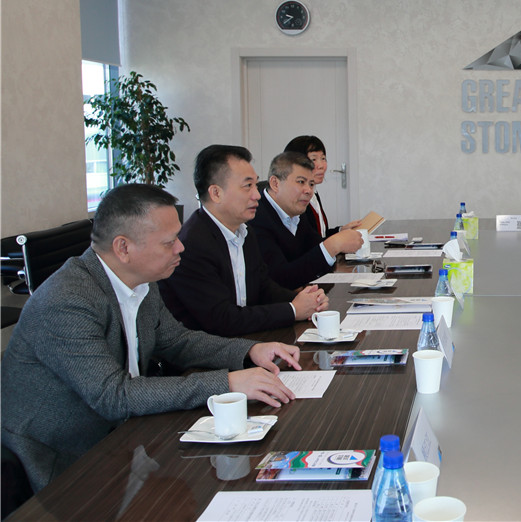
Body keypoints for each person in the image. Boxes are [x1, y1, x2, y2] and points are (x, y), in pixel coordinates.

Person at [1, 184, 301, 493]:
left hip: (124, 439)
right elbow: (114, 396)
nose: (180, 248)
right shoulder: (66, 300)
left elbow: (176, 341)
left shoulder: (140, 279)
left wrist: (251, 350)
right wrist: (226, 383)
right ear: (123, 248)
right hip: (64, 462)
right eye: (169, 242)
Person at [159, 145, 328, 337]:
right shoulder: (191, 245)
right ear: (216, 193)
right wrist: (293, 309)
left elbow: (263, 287)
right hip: (211, 349)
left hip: (246, 338)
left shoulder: (245, 231)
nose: (257, 194)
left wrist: (305, 300)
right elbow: (222, 319)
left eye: (255, 185)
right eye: (248, 186)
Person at [249, 151, 363, 289]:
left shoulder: (295, 208)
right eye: (301, 182)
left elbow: (314, 247)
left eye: (311, 184)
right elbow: (280, 278)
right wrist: (332, 246)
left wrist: (340, 242)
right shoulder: (256, 218)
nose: (308, 190)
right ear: (275, 183)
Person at [284, 135, 362, 237]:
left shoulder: (313, 194)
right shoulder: (296, 200)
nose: (321, 165)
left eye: (323, 158)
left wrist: (341, 230)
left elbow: (320, 235)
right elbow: (307, 243)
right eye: (313, 159)